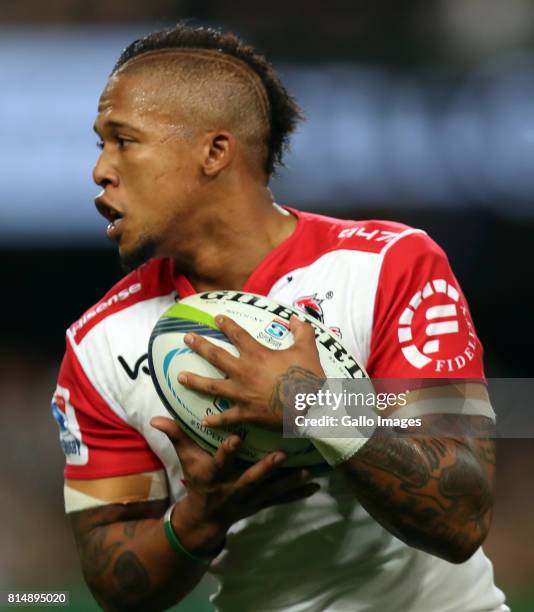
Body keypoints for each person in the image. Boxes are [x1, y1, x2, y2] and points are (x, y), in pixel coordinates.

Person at [51, 23, 508, 611]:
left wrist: (311, 402)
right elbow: (111, 583)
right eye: (100, 145)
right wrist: (195, 520)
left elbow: (463, 516)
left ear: (214, 152)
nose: (100, 171)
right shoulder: (97, 346)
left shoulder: (389, 266)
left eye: (124, 141)